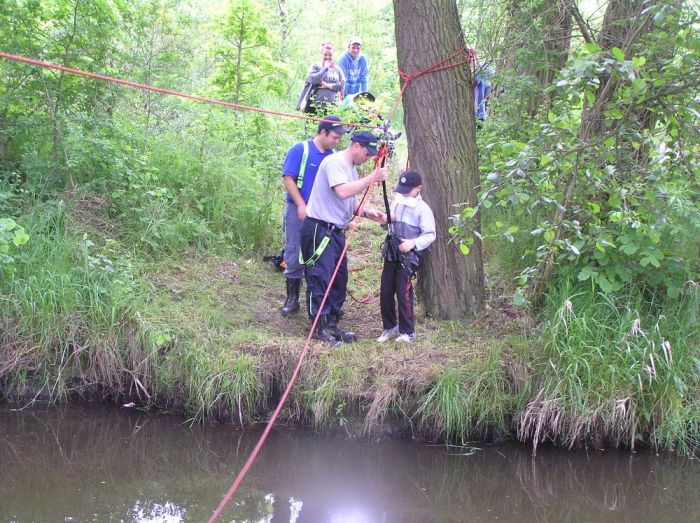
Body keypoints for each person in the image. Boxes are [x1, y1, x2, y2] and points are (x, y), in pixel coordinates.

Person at [300, 131, 388, 346]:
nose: (367, 158)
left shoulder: (351, 169)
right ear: (356, 146)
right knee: (320, 278)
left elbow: (348, 202)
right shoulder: (335, 162)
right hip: (319, 230)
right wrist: (373, 178)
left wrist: (367, 213)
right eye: (367, 154)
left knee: (339, 280)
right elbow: (341, 192)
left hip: (336, 233)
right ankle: (318, 329)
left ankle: (332, 324)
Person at [280, 116, 350, 316]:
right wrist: (302, 205)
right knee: (294, 252)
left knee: (320, 256)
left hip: (323, 216)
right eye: (334, 137)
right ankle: (292, 298)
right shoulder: (300, 149)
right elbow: (288, 178)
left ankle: (321, 302)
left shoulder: (334, 156)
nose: (337, 142)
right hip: (298, 209)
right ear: (322, 132)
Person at [376, 171, 436, 344]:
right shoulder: (398, 202)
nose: (403, 194)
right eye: (401, 190)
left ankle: (407, 332)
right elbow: (388, 225)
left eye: (406, 191)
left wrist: (413, 243)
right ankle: (390, 327)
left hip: (408, 257)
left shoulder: (422, 209)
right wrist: (385, 220)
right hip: (392, 251)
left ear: (418, 189)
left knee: (404, 291)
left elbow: (430, 235)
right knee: (386, 290)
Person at [305, 43, 346, 114]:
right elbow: (313, 80)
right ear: (321, 54)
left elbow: (342, 84)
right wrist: (325, 68)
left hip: (332, 108)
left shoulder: (337, 69)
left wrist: (328, 86)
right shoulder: (315, 67)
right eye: (325, 54)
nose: (328, 57)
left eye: (330, 55)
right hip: (314, 106)